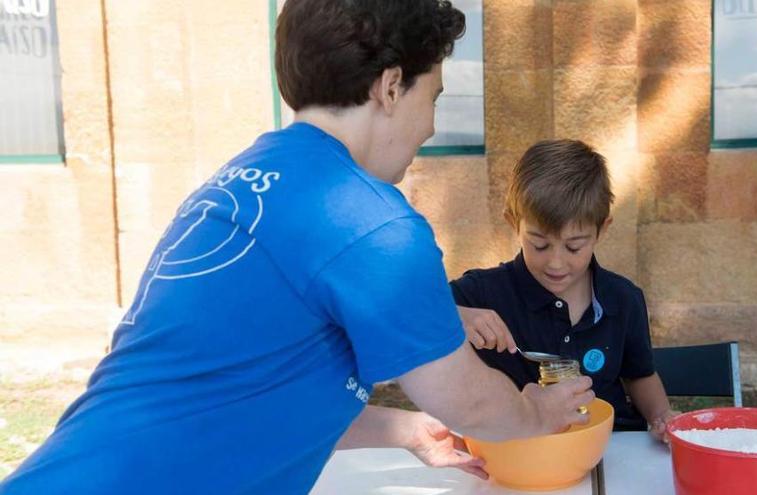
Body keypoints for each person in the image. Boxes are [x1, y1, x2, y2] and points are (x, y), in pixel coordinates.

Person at [0, 1, 595, 494]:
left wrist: (407, 430)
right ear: (391, 87)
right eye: (432, 97)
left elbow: (247, 397)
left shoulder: (236, 184)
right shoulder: (373, 222)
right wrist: (536, 413)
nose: (431, 127)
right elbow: (471, 402)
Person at [451, 139, 678, 441]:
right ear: (513, 223)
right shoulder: (481, 293)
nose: (556, 263)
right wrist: (455, 314)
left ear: (603, 229)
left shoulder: (624, 299)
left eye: (574, 246)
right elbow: (404, 312)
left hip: (611, 451)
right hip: (521, 453)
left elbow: (639, 374)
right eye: (539, 244)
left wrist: (661, 417)